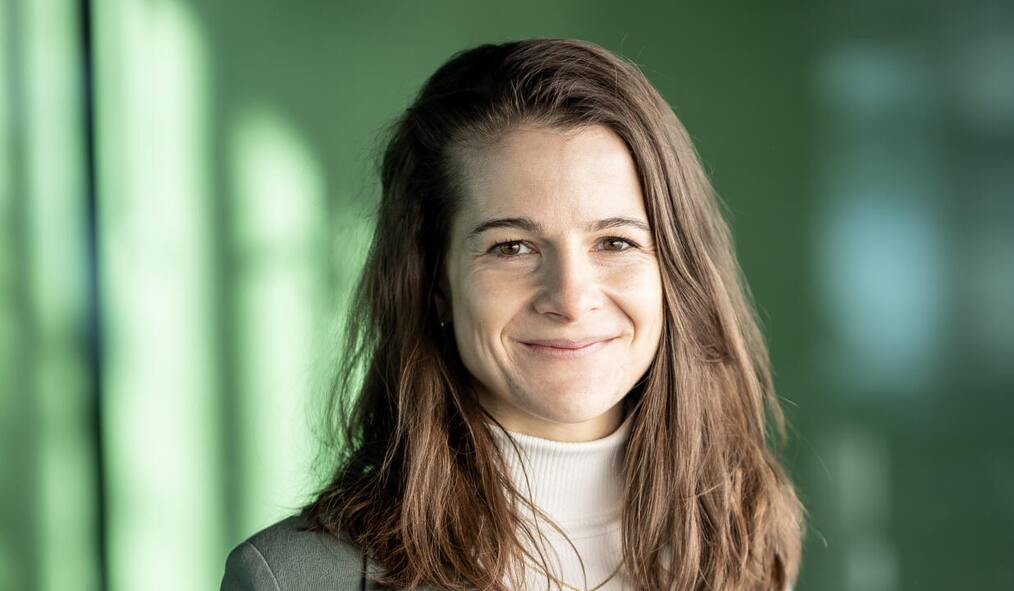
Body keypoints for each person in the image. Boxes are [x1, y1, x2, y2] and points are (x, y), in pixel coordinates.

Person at [220, 37, 804, 591]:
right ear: (435, 283)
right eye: (512, 247)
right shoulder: (291, 578)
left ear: (676, 268)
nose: (570, 298)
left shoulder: (745, 541)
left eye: (616, 242)